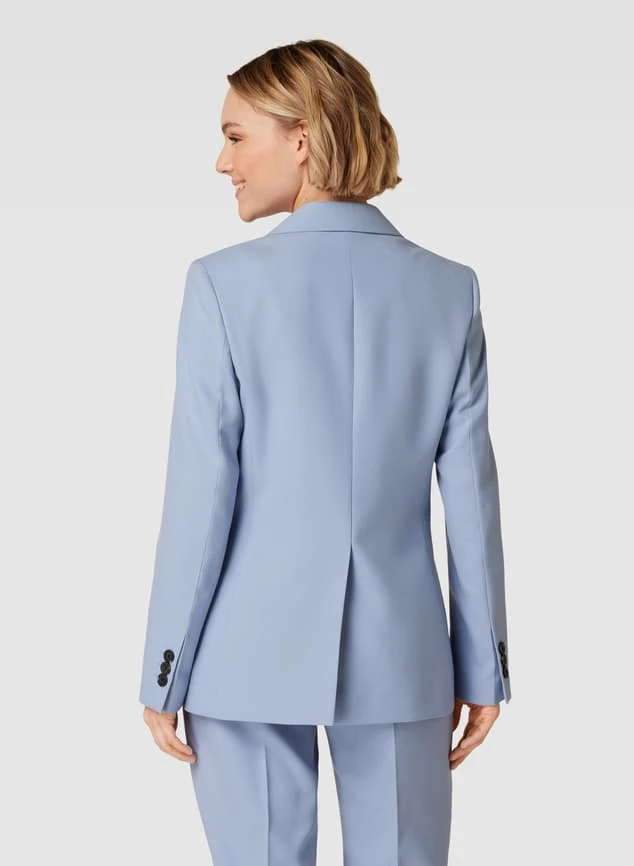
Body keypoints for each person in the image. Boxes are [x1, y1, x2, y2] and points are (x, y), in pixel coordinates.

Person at [139, 37, 512, 866]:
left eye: (236, 136)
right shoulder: (449, 289)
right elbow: (472, 501)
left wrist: (165, 668)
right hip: (403, 656)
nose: (222, 161)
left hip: (241, 654)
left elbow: (202, 498)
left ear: (302, 138)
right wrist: (483, 668)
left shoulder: (222, 287)